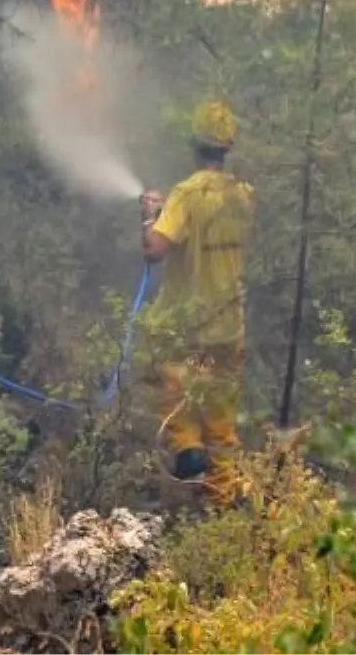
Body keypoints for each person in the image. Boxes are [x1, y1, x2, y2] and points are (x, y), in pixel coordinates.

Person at [138, 99, 254, 506]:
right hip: (229, 329)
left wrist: (150, 215)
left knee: (172, 380)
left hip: (191, 330)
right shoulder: (243, 196)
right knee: (220, 418)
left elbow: (155, 248)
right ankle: (220, 510)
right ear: (227, 146)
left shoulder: (186, 195)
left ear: (194, 144)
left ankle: (187, 447)